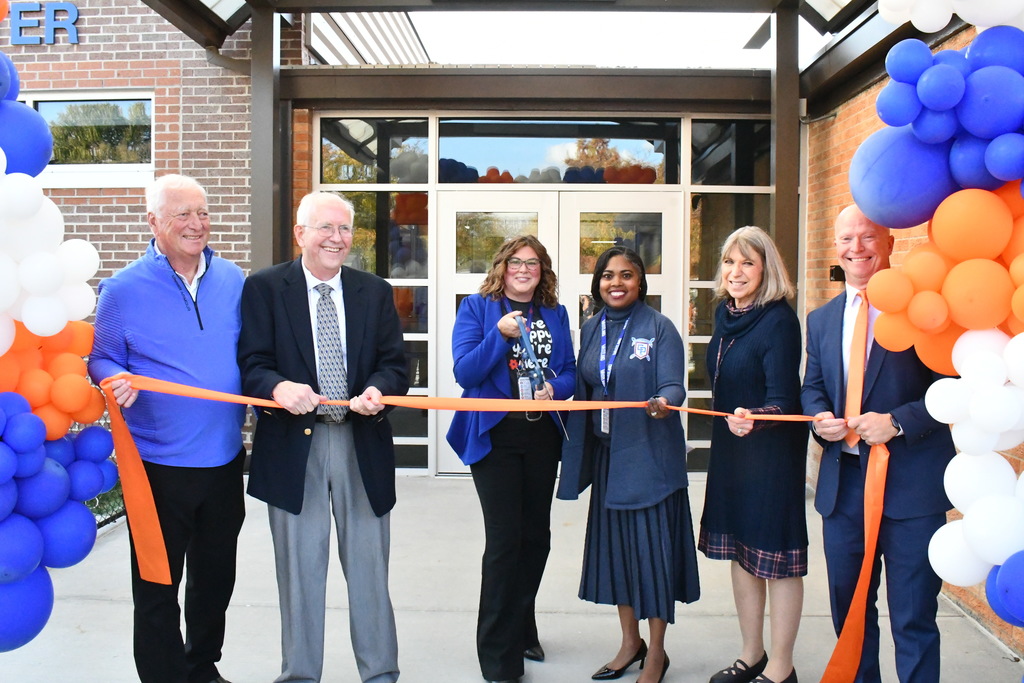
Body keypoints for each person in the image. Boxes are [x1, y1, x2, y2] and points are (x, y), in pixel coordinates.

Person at [237, 191, 409, 683]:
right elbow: (250, 364)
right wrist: (277, 386)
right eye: (325, 229)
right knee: (299, 573)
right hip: (295, 449)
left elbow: (396, 364)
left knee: (370, 572)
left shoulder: (373, 290)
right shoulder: (266, 288)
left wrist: (380, 389)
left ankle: (380, 674)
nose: (337, 239)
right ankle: (299, 675)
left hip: (361, 445)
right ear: (301, 234)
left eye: (344, 229)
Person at [88, 174, 246, 683]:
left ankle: (203, 666)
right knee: (157, 584)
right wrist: (112, 378)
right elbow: (103, 357)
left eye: (201, 212)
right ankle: (163, 675)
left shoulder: (234, 280)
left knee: (215, 580)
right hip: (157, 466)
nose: (196, 224)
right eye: (182, 214)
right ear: (153, 221)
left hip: (224, 462)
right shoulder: (122, 289)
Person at [801, 205, 955, 682]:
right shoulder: (822, 319)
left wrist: (898, 422)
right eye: (847, 239)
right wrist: (818, 417)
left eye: (868, 237)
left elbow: (951, 388)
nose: (857, 248)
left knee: (912, 617)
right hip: (843, 489)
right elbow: (813, 387)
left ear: (890, 243)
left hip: (911, 491)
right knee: (850, 617)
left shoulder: (923, 308)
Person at [557, 245, 700, 683]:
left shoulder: (659, 328)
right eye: (607, 276)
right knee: (618, 558)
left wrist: (663, 402)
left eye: (626, 275)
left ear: (641, 282)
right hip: (608, 462)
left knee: (651, 560)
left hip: (649, 463)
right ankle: (629, 643)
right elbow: (588, 384)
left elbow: (674, 385)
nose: (615, 283)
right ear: (597, 283)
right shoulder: (592, 326)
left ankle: (656, 652)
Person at [446, 235, 576, 683]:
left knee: (536, 537)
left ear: (542, 272)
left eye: (533, 263)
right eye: (516, 262)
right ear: (502, 268)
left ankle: (522, 625)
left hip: (542, 434)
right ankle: (498, 654)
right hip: (495, 435)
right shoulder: (477, 309)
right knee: (505, 542)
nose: (524, 269)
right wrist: (500, 338)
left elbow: (572, 371)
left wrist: (555, 390)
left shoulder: (555, 315)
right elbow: (465, 372)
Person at [700, 226, 807, 683]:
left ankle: (782, 667)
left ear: (767, 269)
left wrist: (756, 417)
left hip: (769, 454)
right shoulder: (726, 315)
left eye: (747, 262)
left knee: (776, 559)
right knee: (743, 555)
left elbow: (786, 398)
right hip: (731, 451)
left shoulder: (780, 321)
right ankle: (752, 655)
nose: (736, 271)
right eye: (729, 262)